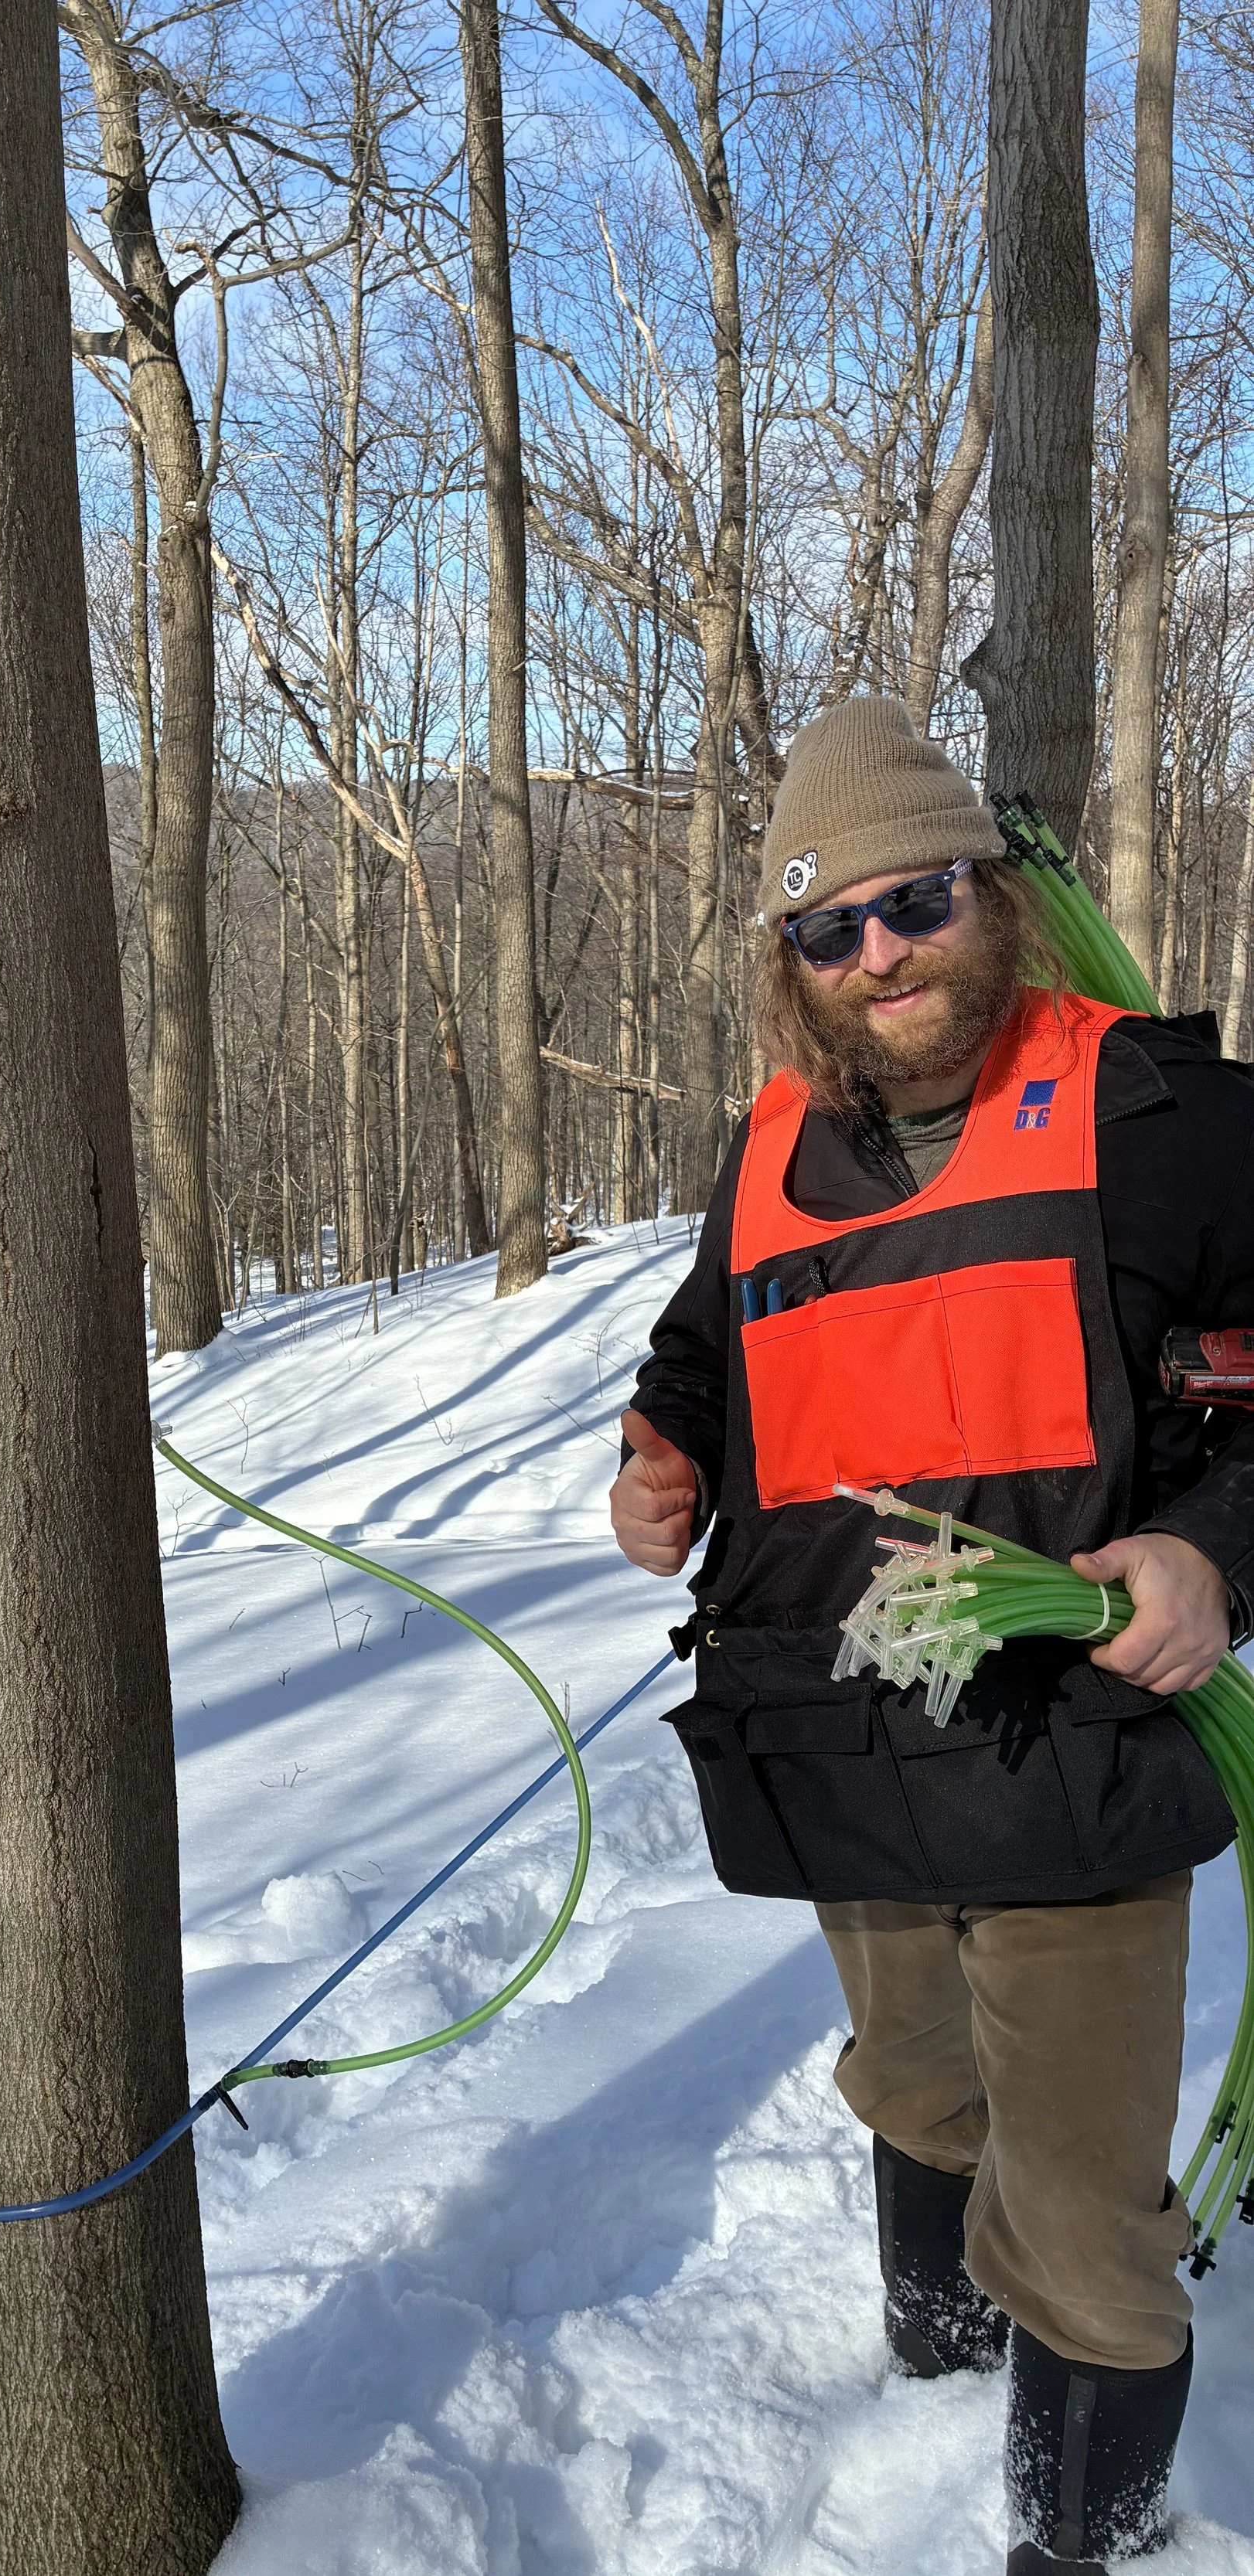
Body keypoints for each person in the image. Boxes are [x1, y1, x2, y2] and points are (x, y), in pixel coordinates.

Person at [609, 695, 1254, 2574]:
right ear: (787, 960)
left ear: (990, 896)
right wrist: (665, 1456)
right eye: (829, 927)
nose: (877, 953)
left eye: (916, 901)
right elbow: (704, 1353)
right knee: (905, 2078)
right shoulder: (763, 1152)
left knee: (1079, 2210)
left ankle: (1078, 2539)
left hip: (1073, 1745)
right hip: (837, 1741)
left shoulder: (1152, 1114)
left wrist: (1210, 1552)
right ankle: (929, 2359)